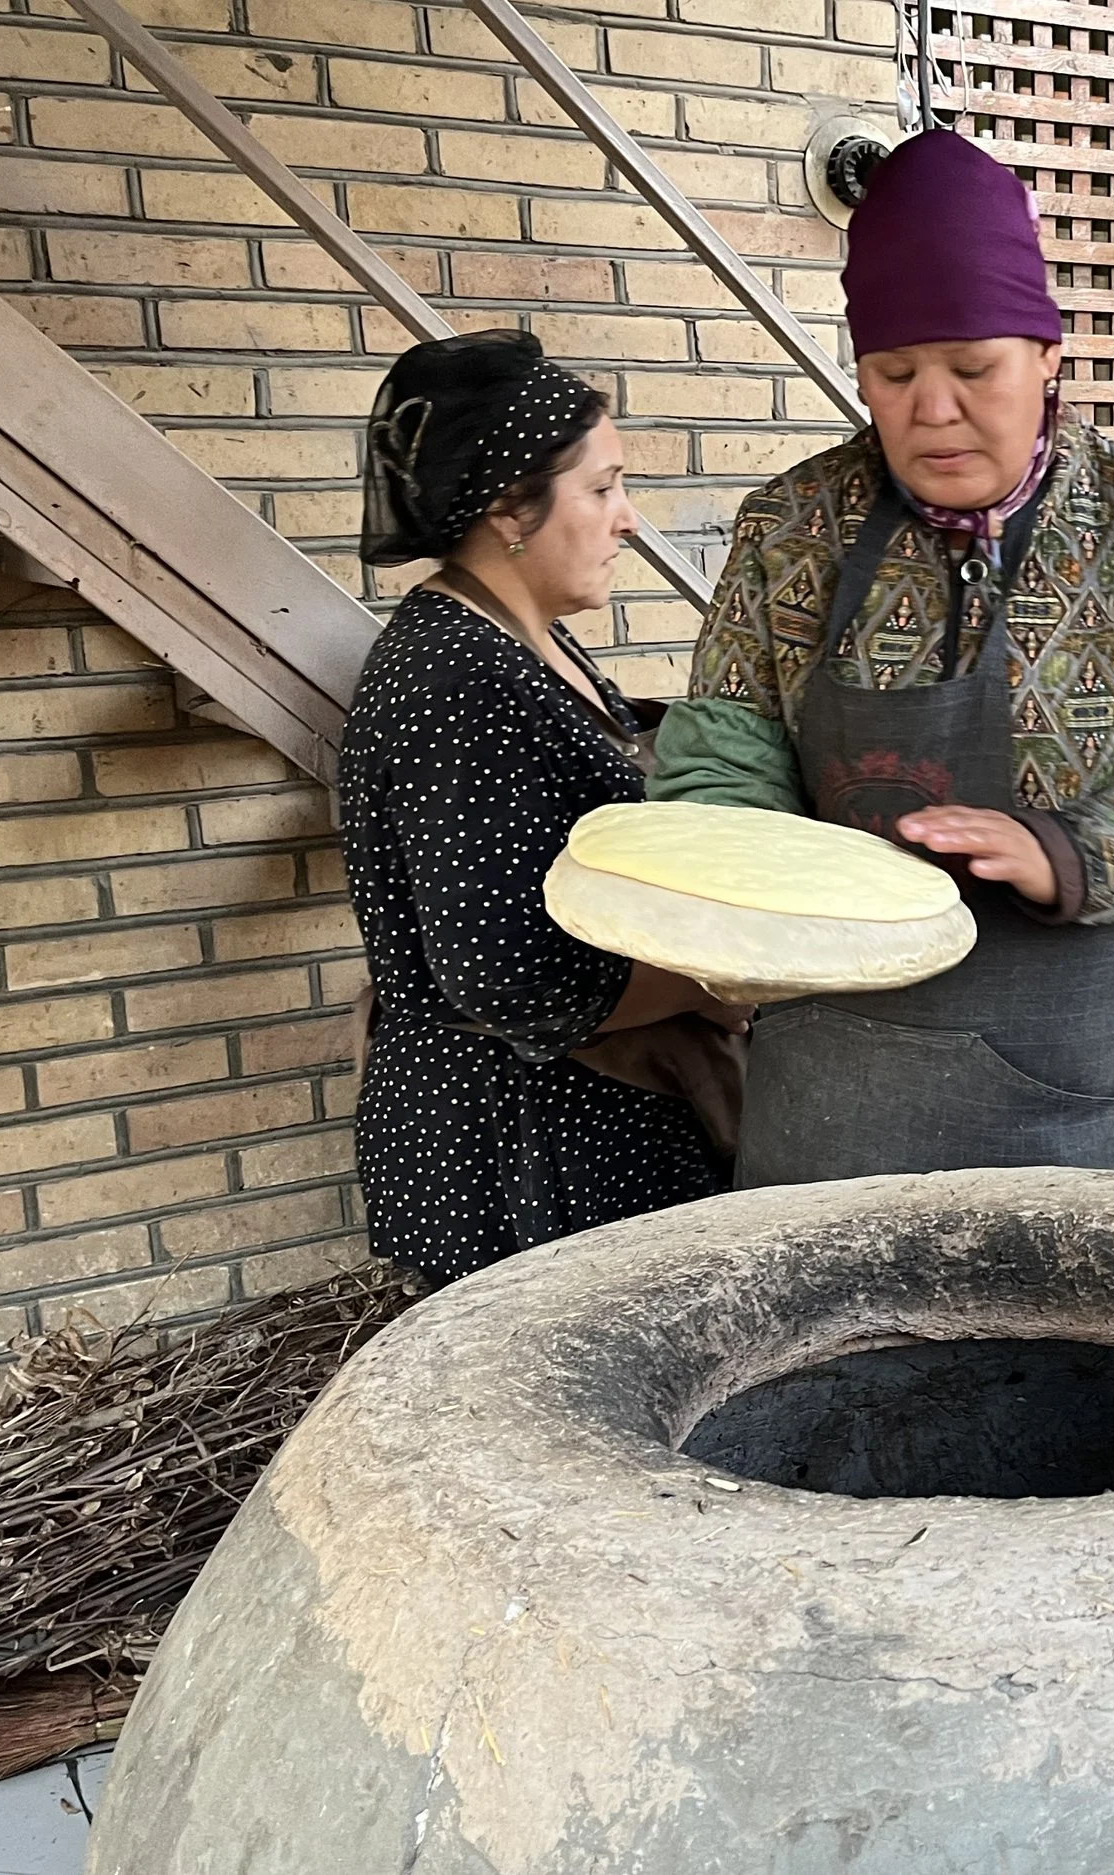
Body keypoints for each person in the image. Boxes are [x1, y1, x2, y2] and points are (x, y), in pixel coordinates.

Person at [650, 130, 1114, 1186]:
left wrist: (1073, 850)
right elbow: (724, 754)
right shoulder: (791, 529)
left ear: (1047, 356)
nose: (932, 409)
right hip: (846, 1074)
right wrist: (737, 884)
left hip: (1101, 1063)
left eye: (972, 368)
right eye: (894, 373)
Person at [341, 331, 738, 1283]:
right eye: (601, 488)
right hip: (523, 1150)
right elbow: (508, 979)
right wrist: (719, 983)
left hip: (568, 1131)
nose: (627, 518)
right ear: (512, 505)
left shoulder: (519, 638)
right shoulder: (451, 679)